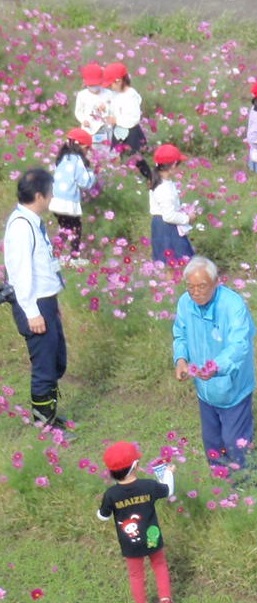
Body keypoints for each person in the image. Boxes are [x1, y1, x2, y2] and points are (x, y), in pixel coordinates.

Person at [172, 256, 257, 472]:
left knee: (235, 441)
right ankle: (220, 485)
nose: (196, 292)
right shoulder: (185, 302)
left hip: (232, 388)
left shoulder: (233, 305)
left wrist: (215, 367)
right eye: (190, 287)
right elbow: (180, 334)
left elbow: (239, 347)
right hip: (205, 389)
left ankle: (245, 485)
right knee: (212, 441)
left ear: (216, 282)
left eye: (202, 286)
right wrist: (180, 359)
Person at [4, 168, 71, 431]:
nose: (52, 196)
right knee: (44, 366)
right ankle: (45, 425)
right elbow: (20, 275)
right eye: (50, 192)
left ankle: (50, 413)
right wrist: (32, 312)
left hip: (45, 301)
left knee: (56, 359)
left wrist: (52, 306)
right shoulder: (22, 228)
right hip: (32, 304)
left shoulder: (31, 221)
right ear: (40, 195)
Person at [96, 441, 178, 603]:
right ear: (136, 466)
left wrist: (102, 511)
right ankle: (165, 601)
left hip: (129, 543)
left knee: (136, 575)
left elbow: (103, 516)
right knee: (159, 565)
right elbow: (168, 490)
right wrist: (168, 474)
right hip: (152, 535)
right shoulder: (148, 486)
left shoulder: (111, 494)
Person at [50, 129, 96, 259]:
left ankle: (55, 254)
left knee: (66, 228)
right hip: (68, 201)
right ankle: (73, 256)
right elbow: (85, 182)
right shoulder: (77, 160)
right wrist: (92, 172)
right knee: (75, 228)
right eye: (87, 148)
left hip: (56, 200)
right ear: (81, 146)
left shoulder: (62, 158)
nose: (87, 152)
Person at [148, 144, 195, 266]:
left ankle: (169, 284)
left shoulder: (159, 182)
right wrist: (187, 218)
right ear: (173, 165)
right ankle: (174, 284)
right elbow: (168, 216)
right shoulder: (164, 188)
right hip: (167, 228)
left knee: (167, 262)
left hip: (160, 225)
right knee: (177, 262)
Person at [104, 62, 150, 180]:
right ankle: (119, 177)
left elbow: (133, 118)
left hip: (131, 132)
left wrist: (117, 120)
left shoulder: (131, 96)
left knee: (134, 157)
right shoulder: (116, 93)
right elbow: (113, 105)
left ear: (119, 81)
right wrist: (105, 107)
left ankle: (148, 178)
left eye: (111, 84)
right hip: (119, 130)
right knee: (116, 155)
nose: (110, 87)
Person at [73, 63, 112, 147]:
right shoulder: (82, 95)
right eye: (91, 85)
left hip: (104, 127)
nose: (94, 87)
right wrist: (83, 120)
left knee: (105, 148)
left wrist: (106, 108)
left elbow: (114, 109)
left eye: (96, 84)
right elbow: (78, 111)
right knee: (90, 149)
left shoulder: (108, 94)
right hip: (88, 128)